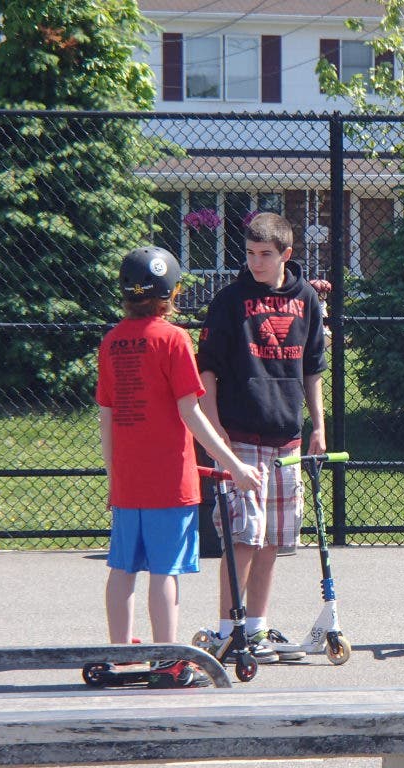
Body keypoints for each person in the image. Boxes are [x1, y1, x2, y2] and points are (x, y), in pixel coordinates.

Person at [97, 246, 261, 688]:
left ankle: (120, 652)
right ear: (172, 292)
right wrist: (235, 465)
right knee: (164, 571)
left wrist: (114, 475)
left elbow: (107, 418)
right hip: (170, 479)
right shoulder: (173, 340)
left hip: (128, 480)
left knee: (123, 569)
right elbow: (192, 414)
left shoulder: (112, 342)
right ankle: (168, 659)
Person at [196, 212, 327, 663]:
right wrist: (219, 438)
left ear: (286, 255)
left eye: (265, 255)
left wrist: (318, 427)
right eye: (250, 254)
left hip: (286, 438)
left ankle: (256, 627)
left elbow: (312, 370)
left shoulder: (306, 298)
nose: (256, 262)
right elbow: (207, 373)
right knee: (243, 535)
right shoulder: (230, 300)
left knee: (271, 537)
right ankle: (226, 630)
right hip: (240, 435)